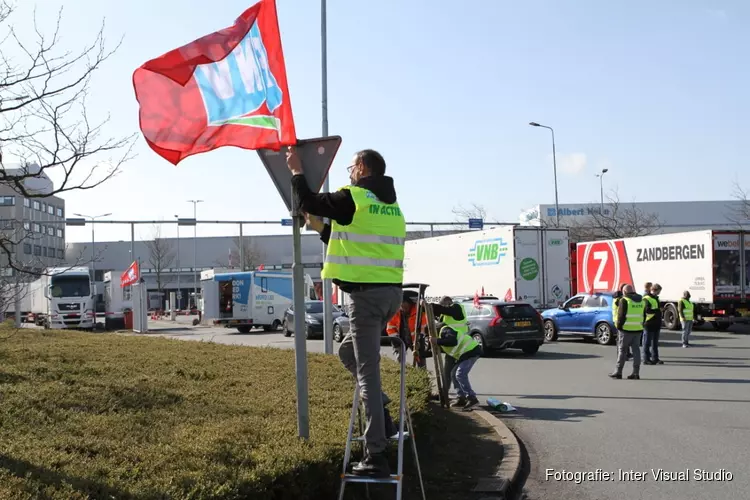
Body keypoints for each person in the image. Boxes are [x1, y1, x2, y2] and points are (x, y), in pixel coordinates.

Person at [287, 147, 404, 477]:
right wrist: (319, 229)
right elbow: (356, 244)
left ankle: (376, 455)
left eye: (351, 166)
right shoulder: (389, 205)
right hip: (390, 293)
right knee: (347, 350)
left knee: (367, 371)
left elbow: (308, 200)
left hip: (364, 297)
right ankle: (382, 412)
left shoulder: (354, 197)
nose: (349, 172)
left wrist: (297, 170)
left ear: (363, 167)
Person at [434, 321, 482, 410]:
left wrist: (437, 340)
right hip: (465, 354)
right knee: (453, 374)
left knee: (460, 374)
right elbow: (433, 352)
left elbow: (453, 341)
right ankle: (461, 398)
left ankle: (472, 398)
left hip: (471, 351)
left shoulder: (445, 330)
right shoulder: (441, 336)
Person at [610, 284, 645, 380]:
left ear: (624, 292)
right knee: (636, 351)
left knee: (622, 351)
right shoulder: (641, 301)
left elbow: (621, 316)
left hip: (626, 330)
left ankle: (618, 372)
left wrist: (619, 327)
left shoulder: (624, 300)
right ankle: (636, 373)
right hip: (638, 329)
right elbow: (644, 315)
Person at [386, 291, 429, 367]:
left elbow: (423, 326)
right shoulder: (396, 311)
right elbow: (390, 327)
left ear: (410, 304)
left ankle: (422, 376)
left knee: (420, 360)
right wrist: (395, 338)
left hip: (415, 339)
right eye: (401, 306)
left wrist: (419, 339)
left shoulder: (418, 311)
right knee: (400, 359)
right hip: (400, 338)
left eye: (405, 306)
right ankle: (402, 375)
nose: (403, 308)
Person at [643, 283, 663, 365]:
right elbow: (647, 310)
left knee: (655, 343)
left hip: (656, 323)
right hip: (649, 323)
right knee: (647, 342)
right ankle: (646, 359)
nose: (659, 293)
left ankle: (655, 358)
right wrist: (658, 311)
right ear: (654, 290)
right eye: (658, 291)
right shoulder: (646, 299)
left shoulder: (656, 298)